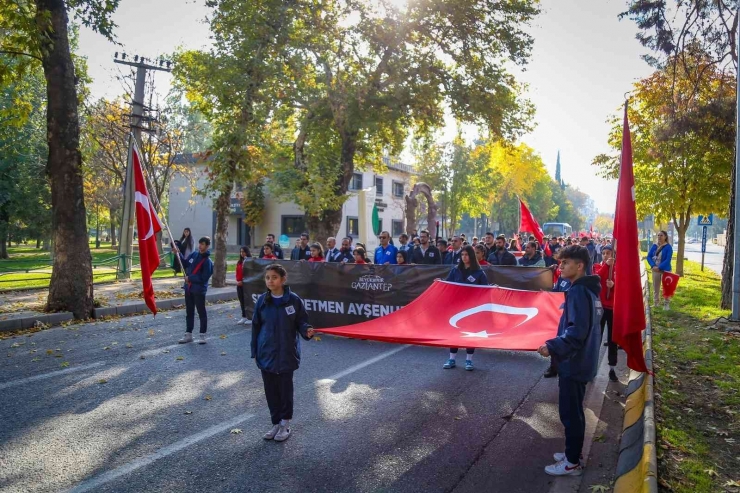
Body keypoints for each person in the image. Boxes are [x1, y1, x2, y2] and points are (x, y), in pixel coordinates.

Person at [537, 245, 602, 476]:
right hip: (583, 362)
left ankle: (572, 463)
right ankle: (572, 453)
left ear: (580, 265)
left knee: (570, 414)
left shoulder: (577, 292)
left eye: (565, 262)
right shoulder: (590, 291)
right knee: (575, 412)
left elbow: (576, 333)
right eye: (560, 262)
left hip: (574, 363)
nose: (561, 266)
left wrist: (552, 346)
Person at [251, 264, 315, 442]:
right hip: (266, 354)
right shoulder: (263, 301)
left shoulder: (294, 300)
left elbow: (302, 322)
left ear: (283, 279)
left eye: (274, 277)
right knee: (270, 390)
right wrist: (254, 350)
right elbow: (256, 327)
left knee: (285, 390)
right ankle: (275, 423)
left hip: (287, 353)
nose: (270, 281)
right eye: (267, 278)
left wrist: (307, 330)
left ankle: (285, 424)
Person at [443, 245, 489, 371]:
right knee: (454, 332)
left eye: (466, 255)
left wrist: (492, 288)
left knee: (471, 333)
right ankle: (452, 358)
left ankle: (469, 360)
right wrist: (439, 282)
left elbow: (486, 289)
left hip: (472, 308)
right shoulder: (455, 270)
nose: (464, 257)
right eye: (462, 255)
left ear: (472, 256)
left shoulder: (479, 273)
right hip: (456, 307)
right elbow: (447, 285)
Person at [176, 237, 214, 344]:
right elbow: (185, 263)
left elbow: (204, 278)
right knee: (189, 312)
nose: (200, 246)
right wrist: (178, 253)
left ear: (207, 246)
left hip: (199, 290)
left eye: (202, 244)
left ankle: (202, 335)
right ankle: (188, 334)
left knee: (201, 312)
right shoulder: (194, 255)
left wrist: (190, 278)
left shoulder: (208, 262)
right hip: (189, 289)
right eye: (200, 244)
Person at [597, 245, 618, 382]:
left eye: (608, 253)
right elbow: (597, 278)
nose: (605, 255)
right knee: (596, 337)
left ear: (613, 254)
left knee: (612, 339)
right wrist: (606, 266)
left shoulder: (618, 269)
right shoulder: (598, 266)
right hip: (600, 308)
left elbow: (622, 286)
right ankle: (591, 365)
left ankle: (612, 368)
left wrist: (614, 284)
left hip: (613, 308)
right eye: (603, 253)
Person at [646, 230, 673, 310]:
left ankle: (666, 304)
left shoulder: (668, 247)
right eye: (658, 235)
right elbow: (649, 256)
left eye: (661, 235)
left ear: (665, 237)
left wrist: (659, 267)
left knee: (666, 288)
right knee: (656, 287)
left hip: (665, 270)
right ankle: (656, 303)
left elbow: (668, 259)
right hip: (655, 269)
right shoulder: (654, 246)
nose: (659, 237)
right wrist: (653, 265)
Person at [235, 246, 252, 325]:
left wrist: (243, 281)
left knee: (248, 301)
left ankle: (250, 316)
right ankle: (244, 316)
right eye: (241, 252)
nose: (242, 253)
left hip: (247, 284)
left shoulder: (249, 261)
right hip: (239, 284)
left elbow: (250, 274)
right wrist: (238, 281)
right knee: (242, 301)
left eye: (244, 252)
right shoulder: (239, 262)